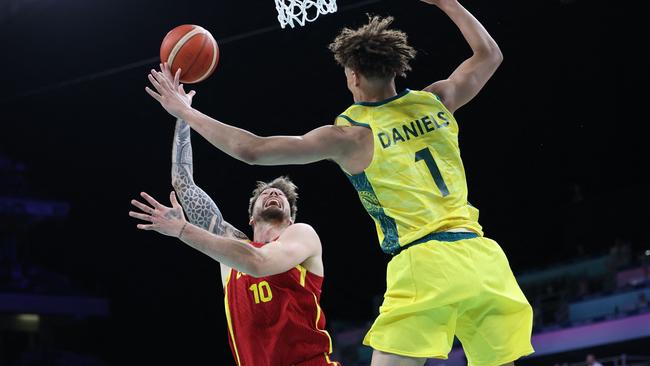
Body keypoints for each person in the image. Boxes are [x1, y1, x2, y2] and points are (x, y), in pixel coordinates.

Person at [145, 0, 534, 365]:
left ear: (353, 77)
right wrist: (448, 3)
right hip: (483, 258)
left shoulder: (352, 135)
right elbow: (489, 55)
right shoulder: (438, 100)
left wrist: (184, 111)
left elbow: (252, 149)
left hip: (425, 262)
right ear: (397, 69)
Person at [130, 75, 339, 366]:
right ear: (251, 216)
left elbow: (259, 261)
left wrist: (182, 229)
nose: (274, 194)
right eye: (266, 194)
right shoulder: (230, 249)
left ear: (291, 218)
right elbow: (184, 183)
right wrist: (182, 115)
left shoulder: (301, 235)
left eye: (281, 197)